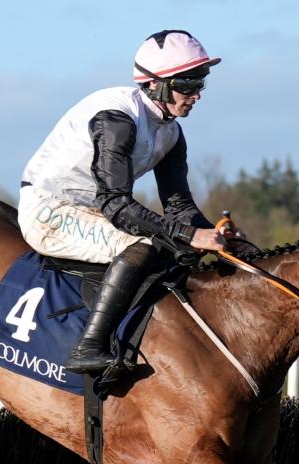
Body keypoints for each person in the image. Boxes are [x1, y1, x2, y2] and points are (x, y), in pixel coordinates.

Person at [18, 29, 238, 374]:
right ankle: (88, 347)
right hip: (50, 210)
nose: (196, 95)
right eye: (187, 84)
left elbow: (179, 207)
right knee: (143, 246)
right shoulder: (116, 119)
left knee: (177, 247)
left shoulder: (171, 131)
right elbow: (116, 204)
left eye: (200, 83)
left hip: (93, 212)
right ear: (155, 84)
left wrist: (219, 237)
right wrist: (189, 235)